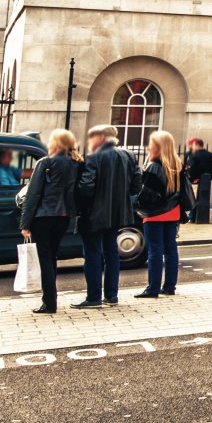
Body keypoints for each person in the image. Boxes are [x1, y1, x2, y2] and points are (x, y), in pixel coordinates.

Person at [17, 130, 81, 314]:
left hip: (43, 216)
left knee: (45, 259)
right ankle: (50, 299)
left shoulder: (45, 163)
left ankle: (49, 303)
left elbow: (33, 194)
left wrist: (25, 223)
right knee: (52, 257)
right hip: (63, 216)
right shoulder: (76, 164)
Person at [74, 125, 137, 307]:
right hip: (118, 213)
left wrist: (81, 205)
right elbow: (136, 184)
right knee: (111, 253)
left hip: (94, 214)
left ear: (100, 138)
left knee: (93, 254)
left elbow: (86, 187)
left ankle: (93, 297)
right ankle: (112, 295)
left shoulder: (94, 157)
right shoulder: (128, 156)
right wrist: (123, 198)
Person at [135, 130, 190, 298]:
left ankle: (152, 289)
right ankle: (169, 286)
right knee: (170, 249)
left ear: (158, 146)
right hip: (173, 212)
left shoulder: (153, 166)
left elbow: (147, 196)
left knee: (155, 250)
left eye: (151, 143)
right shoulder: (177, 164)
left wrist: (136, 203)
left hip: (155, 214)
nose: (148, 146)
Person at [180, 138, 212, 223]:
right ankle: (198, 217)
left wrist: (189, 178)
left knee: (193, 198)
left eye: (192, 145)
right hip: (206, 180)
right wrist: (210, 177)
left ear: (196, 145)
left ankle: (192, 217)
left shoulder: (194, 155)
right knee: (203, 199)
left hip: (195, 180)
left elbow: (190, 168)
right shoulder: (210, 155)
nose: (191, 147)